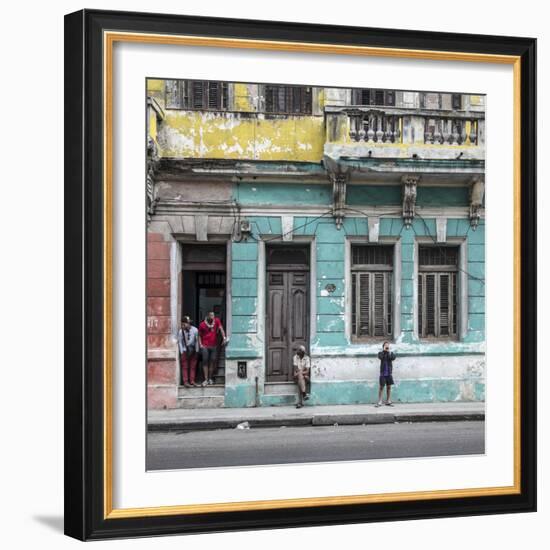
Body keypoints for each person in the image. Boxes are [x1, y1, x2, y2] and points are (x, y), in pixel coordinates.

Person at [198, 311, 227, 387]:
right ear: (207, 316)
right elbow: (199, 335)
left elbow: (221, 329)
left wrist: (224, 337)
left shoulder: (216, 321)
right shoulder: (202, 325)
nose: (212, 317)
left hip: (213, 346)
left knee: (212, 362)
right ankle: (205, 379)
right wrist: (200, 344)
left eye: (213, 315)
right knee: (205, 362)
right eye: (211, 315)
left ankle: (210, 378)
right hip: (205, 346)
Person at [177, 316, 199, 388]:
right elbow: (180, 342)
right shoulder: (181, 331)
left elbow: (195, 341)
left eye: (185, 324)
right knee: (185, 366)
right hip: (185, 350)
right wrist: (181, 351)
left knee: (193, 366)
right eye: (183, 324)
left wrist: (197, 350)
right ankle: (185, 381)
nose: (183, 325)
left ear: (188, 323)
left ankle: (192, 381)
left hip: (193, 350)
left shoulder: (195, 330)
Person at [376, 341, 396, 407]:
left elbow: (393, 358)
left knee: (389, 387)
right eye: (386, 345)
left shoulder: (391, 353)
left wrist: (389, 352)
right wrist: (384, 351)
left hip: (389, 373)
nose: (387, 346)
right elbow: (380, 357)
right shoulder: (380, 353)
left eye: (388, 345)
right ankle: (379, 401)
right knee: (381, 387)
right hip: (383, 374)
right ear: (383, 346)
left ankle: (388, 401)